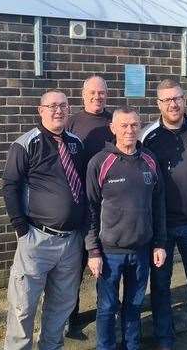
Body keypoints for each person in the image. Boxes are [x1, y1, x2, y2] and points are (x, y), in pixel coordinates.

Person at [2, 89, 87, 350]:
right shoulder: (26, 143)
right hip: (37, 240)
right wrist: (20, 228)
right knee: (23, 307)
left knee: (61, 306)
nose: (58, 110)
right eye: (52, 106)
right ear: (41, 110)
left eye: (63, 105)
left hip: (71, 242)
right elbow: (10, 185)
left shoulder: (75, 143)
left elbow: (81, 185)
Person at [141, 79, 187, 350]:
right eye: (166, 100)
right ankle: (165, 341)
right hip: (161, 227)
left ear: (184, 99)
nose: (172, 104)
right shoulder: (147, 136)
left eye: (177, 98)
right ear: (158, 103)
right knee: (160, 286)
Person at [85, 106, 167, 350]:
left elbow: (159, 204)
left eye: (134, 125)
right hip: (110, 252)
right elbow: (89, 209)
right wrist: (93, 251)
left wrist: (159, 243)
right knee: (108, 308)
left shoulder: (150, 160)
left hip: (142, 249)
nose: (129, 130)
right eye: (124, 125)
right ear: (113, 128)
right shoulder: (100, 162)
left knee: (134, 306)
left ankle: (132, 346)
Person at [65, 75, 114, 337]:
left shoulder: (114, 123)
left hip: (109, 208)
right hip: (79, 205)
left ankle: (106, 313)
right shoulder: (72, 123)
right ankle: (68, 317)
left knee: (105, 265)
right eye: (93, 93)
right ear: (83, 95)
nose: (98, 97)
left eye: (102, 93)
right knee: (73, 267)